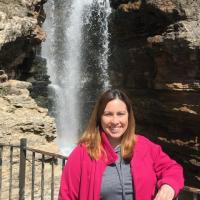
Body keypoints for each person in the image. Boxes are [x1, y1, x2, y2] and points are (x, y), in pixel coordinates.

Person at [58, 89, 184, 200]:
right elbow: (67, 196)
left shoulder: (144, 146)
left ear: (129, 116)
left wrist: (168, 186)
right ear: (99, 117)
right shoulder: (82, 153)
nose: (115, 121)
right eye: (108, 114)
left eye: (120, 114)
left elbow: (172, 168)